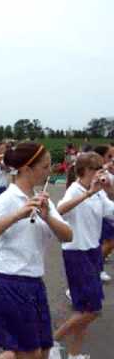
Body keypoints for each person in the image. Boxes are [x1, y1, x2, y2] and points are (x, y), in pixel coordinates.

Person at [0, 142, 72, 359]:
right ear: (27, 169)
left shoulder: (42, 199)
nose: (50, 171)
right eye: (45, 167)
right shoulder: (8, 199)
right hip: (10, 283)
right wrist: (16, 216)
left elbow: (67, 235)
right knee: (28, 354)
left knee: (44, 352)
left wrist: (47, 216)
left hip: (34, 283)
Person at [53, 152, 114, 359]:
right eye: (97, 169)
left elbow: (111, 211)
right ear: (85, 171)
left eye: (102, 169)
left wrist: (107, 189)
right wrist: (88, 193)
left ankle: (73, 354)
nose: (101, 173)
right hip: (76, 253)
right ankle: (52, 340)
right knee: (93, 310)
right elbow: (59, 210)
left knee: (83, 309)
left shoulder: (98, 191)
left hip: (92, 251)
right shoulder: (75, 190)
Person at [92, 145, 114, 282]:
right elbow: (110, 192)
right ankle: (95, 270)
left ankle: (97, 269)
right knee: (109, 242)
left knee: (105, 242)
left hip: (106, 211)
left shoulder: (107, 172)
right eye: (109, 156)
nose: (112, 160)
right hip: (103, 214)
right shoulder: (100, 174)